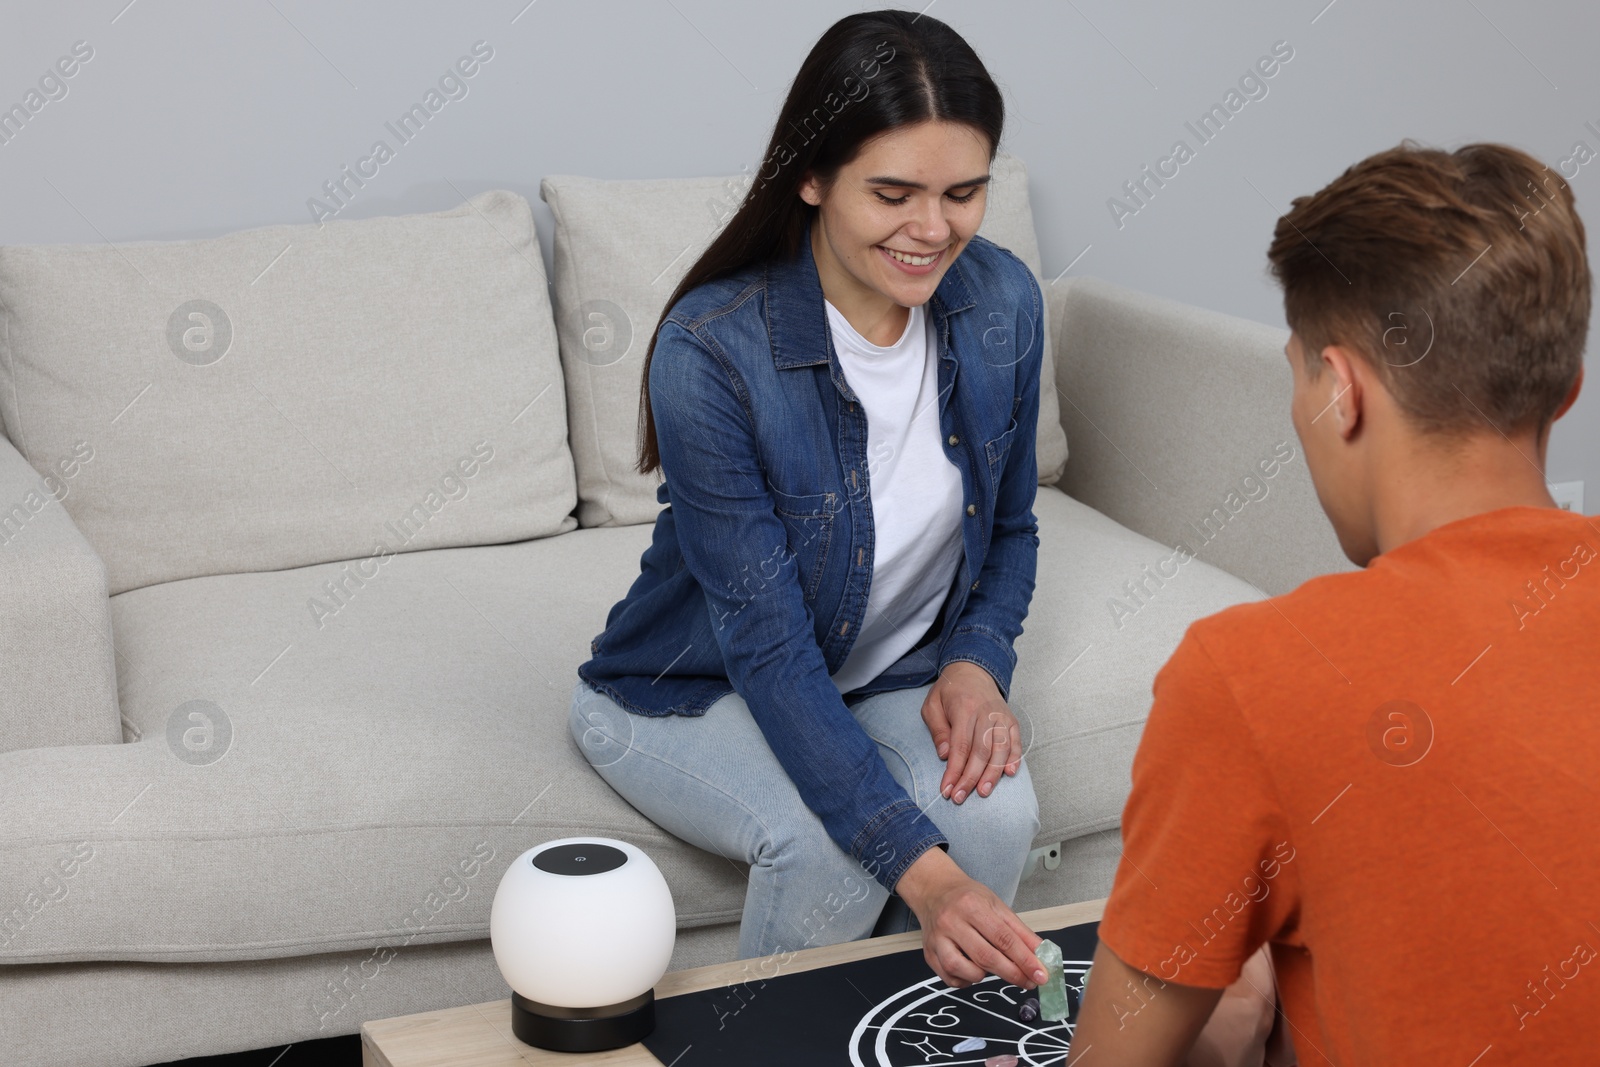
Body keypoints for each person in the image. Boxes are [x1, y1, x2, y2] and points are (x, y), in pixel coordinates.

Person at [1071, 140, 1596, 1064]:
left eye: (1298, 377)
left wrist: (1217, 1031)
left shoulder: (1248, 676)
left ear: (1342, 392)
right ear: (1564, 392)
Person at [568, 9, 1050, 991]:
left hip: (884, 672)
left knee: (996, 813)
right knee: (830, 843)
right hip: (684, 690)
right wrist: (926, 876)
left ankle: (935, 1046)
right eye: (892, 192)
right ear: (812, 176)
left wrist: (975, 659)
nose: (933, 229)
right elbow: (769, 647)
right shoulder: (711, 351)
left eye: (964, 193)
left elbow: (1008, 528)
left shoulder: (1001, 302)